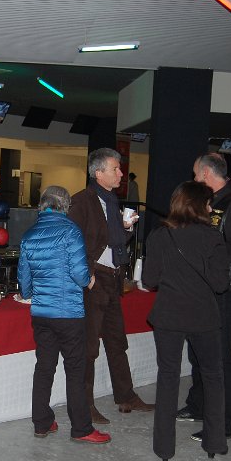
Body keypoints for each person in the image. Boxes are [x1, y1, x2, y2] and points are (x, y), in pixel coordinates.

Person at [143, 181, 230, 461]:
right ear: (199, 206)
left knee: (167, 377)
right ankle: (214, 442)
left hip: (168, 315)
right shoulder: (213, 237)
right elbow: (220, 285)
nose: (211, 209)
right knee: (213, 376)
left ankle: (164, 448)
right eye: (208, 204)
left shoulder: (159, 235)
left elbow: (149, 279)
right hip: (203, 316)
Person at [18, 186, 111, 445]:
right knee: (75, 370)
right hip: (68, 313)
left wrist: (35, 293)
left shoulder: (29, 235)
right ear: (65, 206)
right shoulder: (71, 231)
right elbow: (80, 274)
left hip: (41, 313)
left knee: (44, 367)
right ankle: (81, 428)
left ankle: (42, 422)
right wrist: (90, 280)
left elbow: (24, 284)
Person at [68, 148, 154, 426]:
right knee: (89, 347)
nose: (121, 173)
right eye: (115, 169)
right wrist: (86, 275)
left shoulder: (111, 201)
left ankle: (126, 396)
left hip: (113, 279)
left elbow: (112, 241)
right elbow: (71, 242)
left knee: (117, 341)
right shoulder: (82, 201)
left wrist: (126, 228)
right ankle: (85, 405)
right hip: (94, 280)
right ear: (98, 173)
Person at [177, 153, 231, 442]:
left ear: (207, 173)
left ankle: (221, 423)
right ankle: (198, 405)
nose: (194, 179)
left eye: (196, 174)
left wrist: (206, 254)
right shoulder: (208, 202)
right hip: (202, 288)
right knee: (197, 352)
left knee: (218, 357)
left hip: (223, 289)